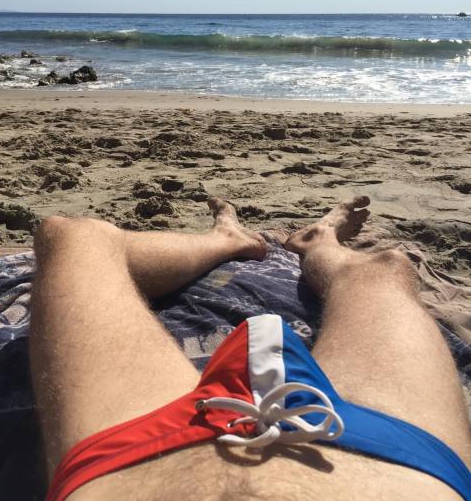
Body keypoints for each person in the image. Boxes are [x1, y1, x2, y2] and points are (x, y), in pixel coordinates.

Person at [30, 196, 470, 501]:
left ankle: (232, 240)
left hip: (131, 456)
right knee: (385, 269)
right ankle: (312, 241)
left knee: (74, 236)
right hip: (404, 462)